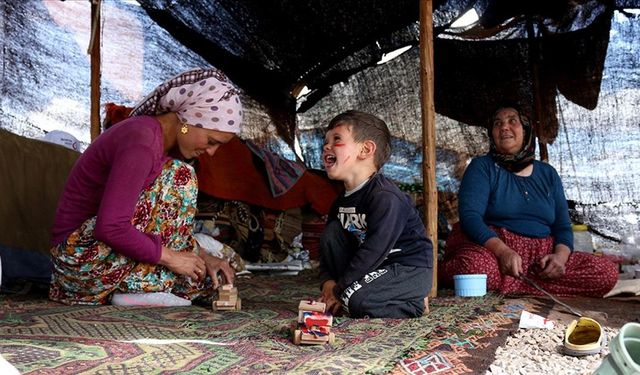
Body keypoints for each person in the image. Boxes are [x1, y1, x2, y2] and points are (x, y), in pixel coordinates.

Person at [49, 68, 242, 305]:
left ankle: (139, 287)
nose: (211, 152)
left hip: (99, 260)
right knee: (180, 176)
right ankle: (139, 290)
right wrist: (171, 258)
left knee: (201, 280)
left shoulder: (157, 143)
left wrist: (202, 257)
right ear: (187, 122)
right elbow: (110, 227)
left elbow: (156, 226)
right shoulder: (142, 142)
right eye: (211, 141)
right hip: (79, 260)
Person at [439, 102, 618, 297]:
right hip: (495, 250)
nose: (504, 127)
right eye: (497, 124)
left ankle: (519, 285)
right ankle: (520, 285)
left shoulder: (547, 174)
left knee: (606, 273)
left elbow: (562, 226)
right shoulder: (483, 167)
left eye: (512, 121)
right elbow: (470, 217)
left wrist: (560, 258)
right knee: (478, 270)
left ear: (526, 130)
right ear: (492, 134)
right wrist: (503, 252)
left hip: (540, 259)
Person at [318, 110, 433, 318]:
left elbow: (374, 250)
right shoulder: (340, 202)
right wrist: (328, 282)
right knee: (332, 232)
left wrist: (340, 290)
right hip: (373, 269)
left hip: (407, 269)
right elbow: (328, 246)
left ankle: (415, 303)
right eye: (326, 141)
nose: (326, 146)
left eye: (337, 139)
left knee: (355, 301)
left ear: (366, 149)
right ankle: (351, 293)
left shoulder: (385, 197)